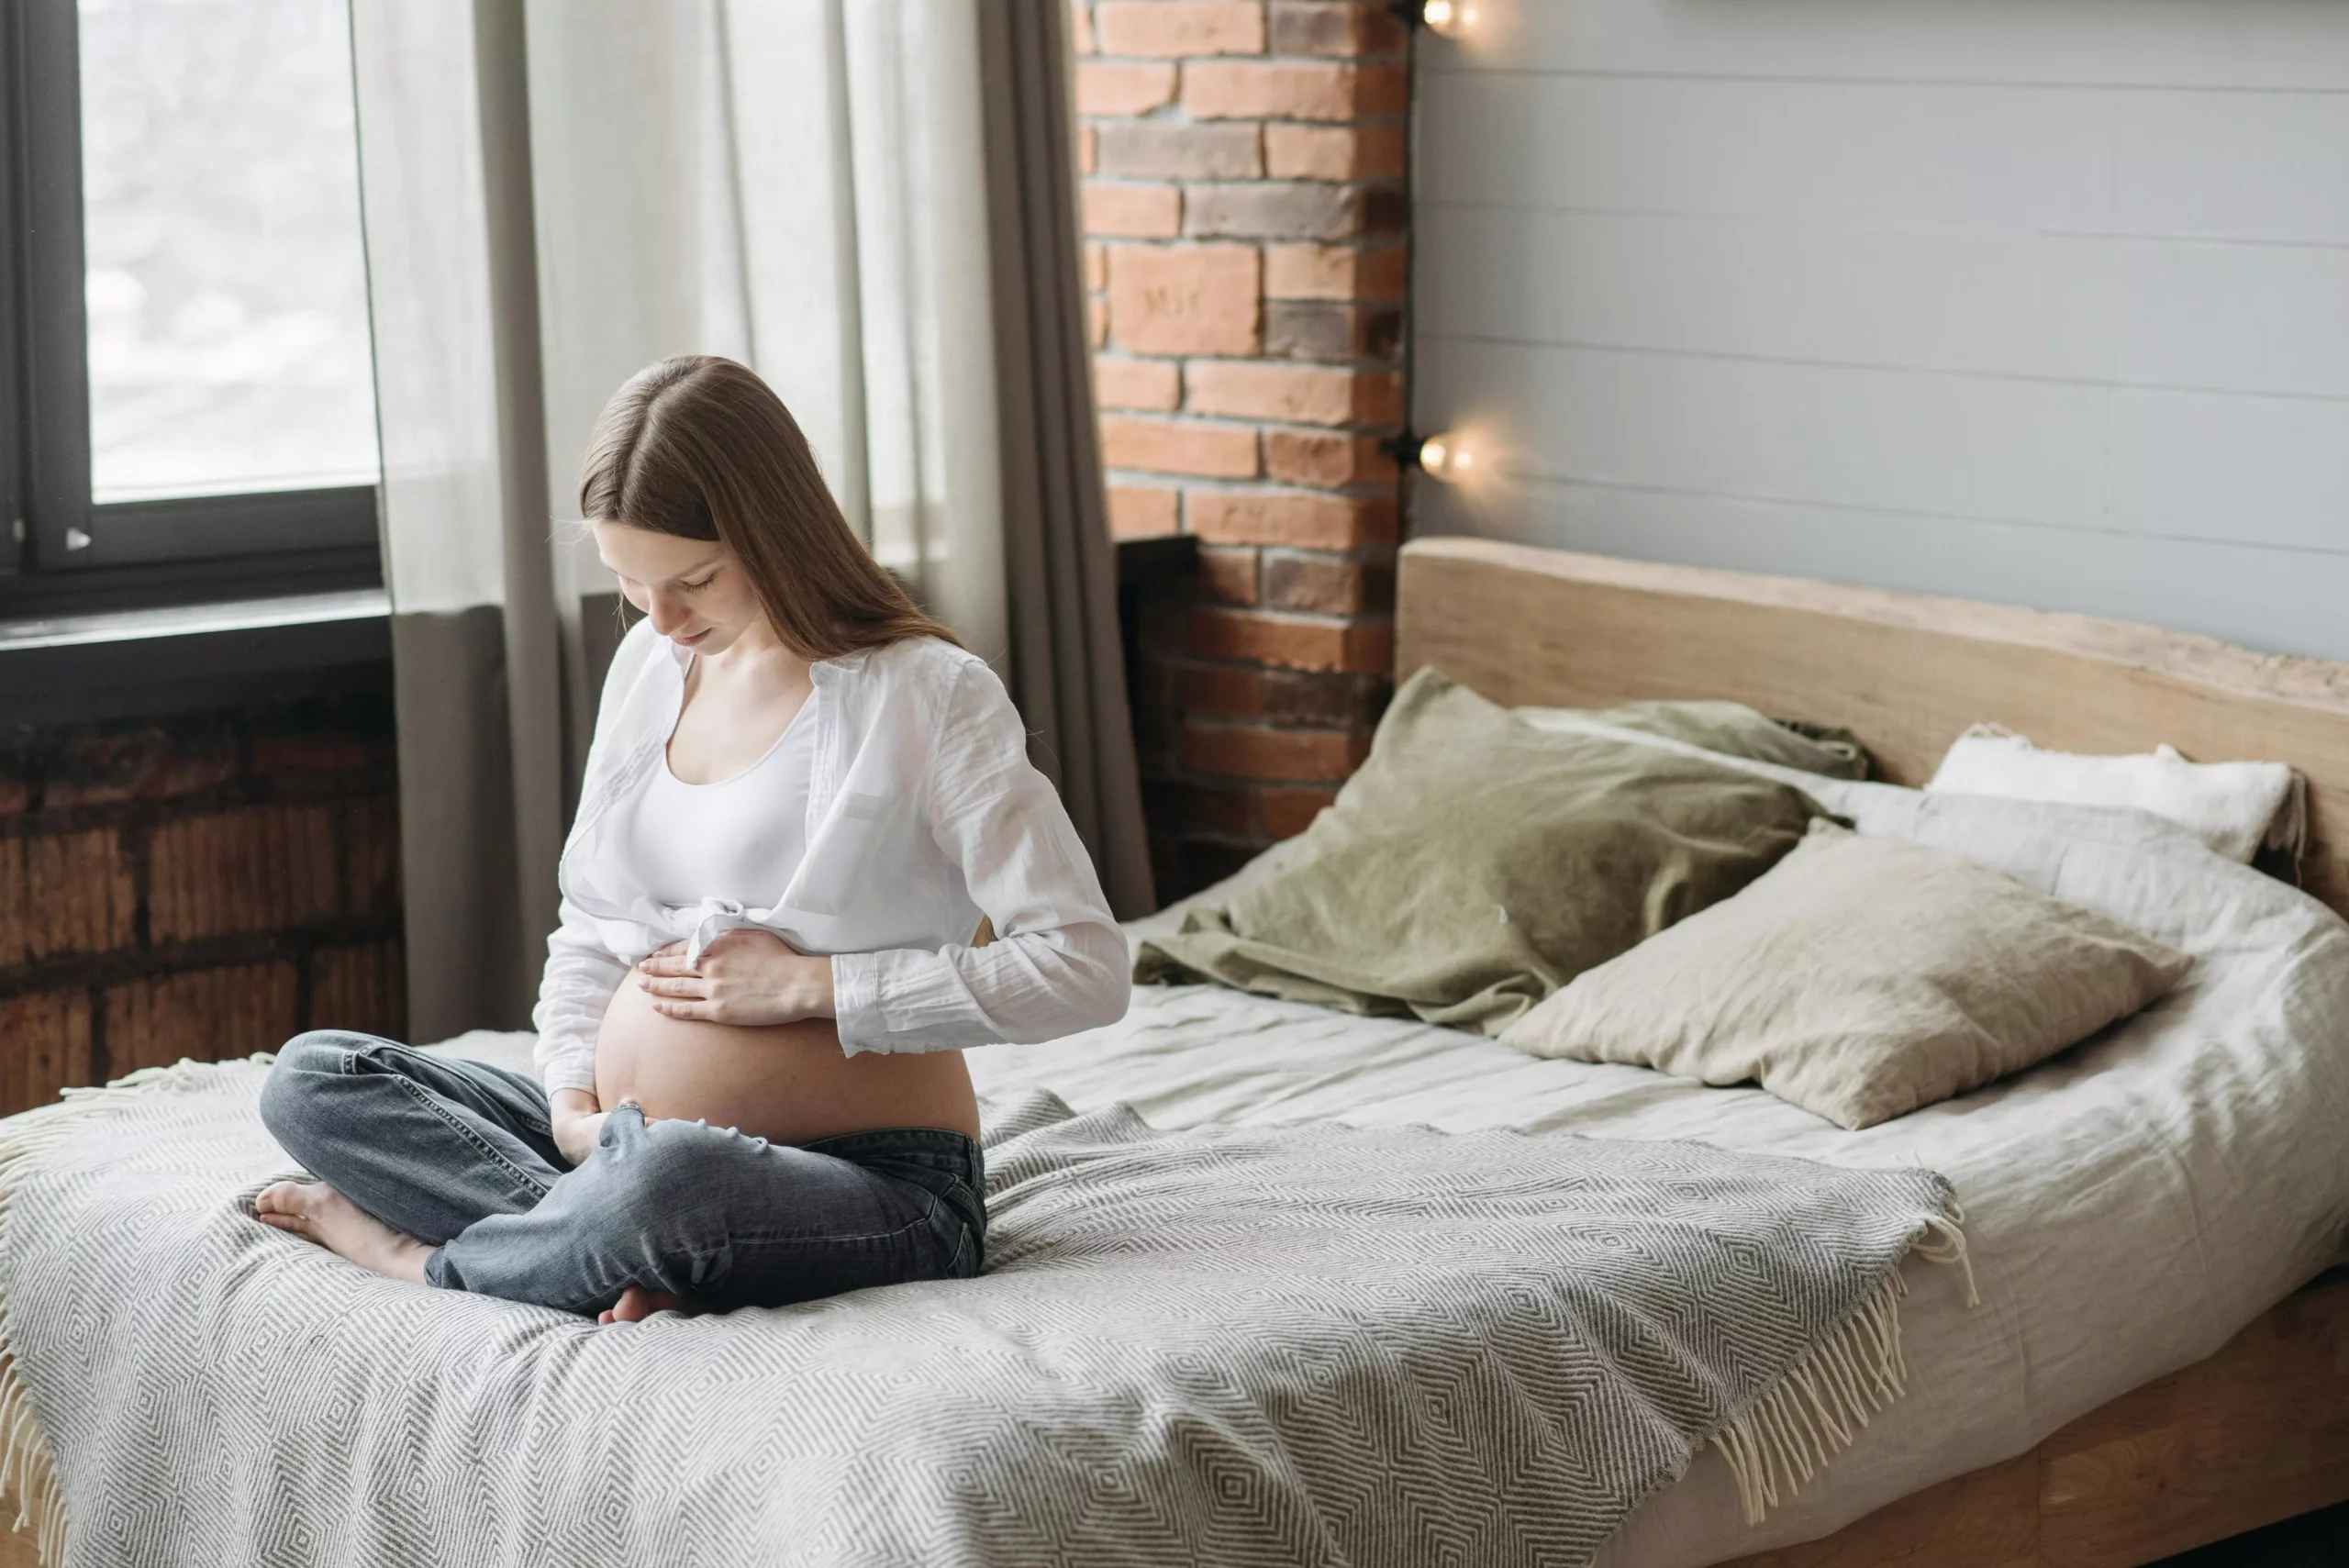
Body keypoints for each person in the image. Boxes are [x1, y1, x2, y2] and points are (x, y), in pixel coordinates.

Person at [252, 354, 1129, 1322]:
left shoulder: (924, 693)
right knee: (315, 1079)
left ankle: (429, 1260)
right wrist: (570, 1104)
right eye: (629, 580)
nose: (661, 618)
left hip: (875, 1184)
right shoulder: (651, 665)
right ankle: (600, 1236)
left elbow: (1084, 965)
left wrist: (809, 986)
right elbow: (590, 928)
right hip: (620, 1149)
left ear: (773, 531)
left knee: (668, 1181)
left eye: (693, 580)